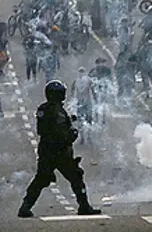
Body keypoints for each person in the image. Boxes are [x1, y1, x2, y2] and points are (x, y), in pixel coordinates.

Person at [18, 80, 102, 217]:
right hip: (60, 152)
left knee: (40, 179)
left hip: (46, 151)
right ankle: (84, 206)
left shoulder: (43, 109)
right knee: (76, 177)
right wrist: (73, 134)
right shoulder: (58, 112)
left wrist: (71, 120)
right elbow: (62, 134)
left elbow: (45, 129)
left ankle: (25, 206)